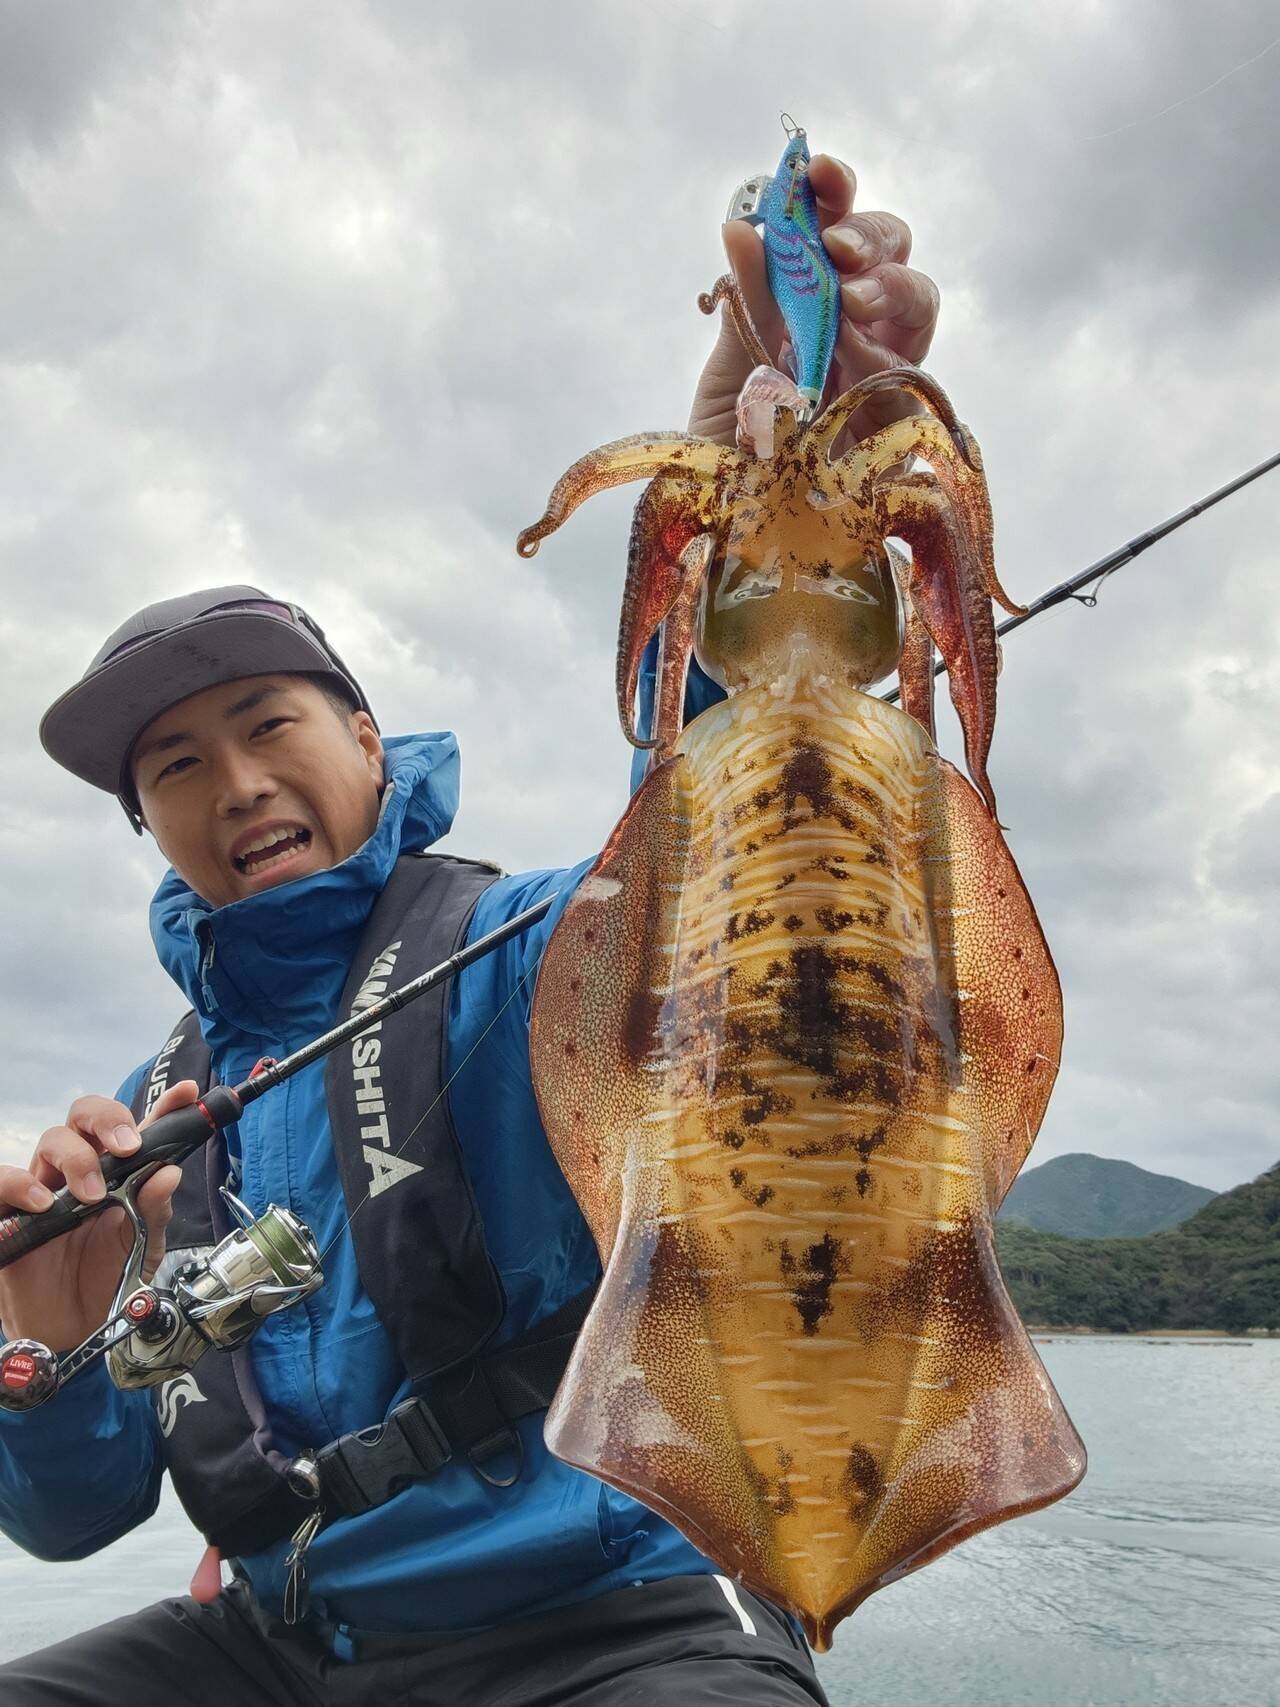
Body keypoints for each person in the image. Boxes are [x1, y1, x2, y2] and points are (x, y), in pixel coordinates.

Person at [0, 158, 940, 1704]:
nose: (236, 785)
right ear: (147, 826)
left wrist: (742, 497)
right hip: (286, 1639)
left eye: (268, 724)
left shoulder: (521, 947)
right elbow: (75, 1515)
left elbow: (732, 830)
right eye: (175, 768)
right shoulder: (159, 1114)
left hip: (609, 1614)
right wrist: (45, 1343)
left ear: (371, 741)